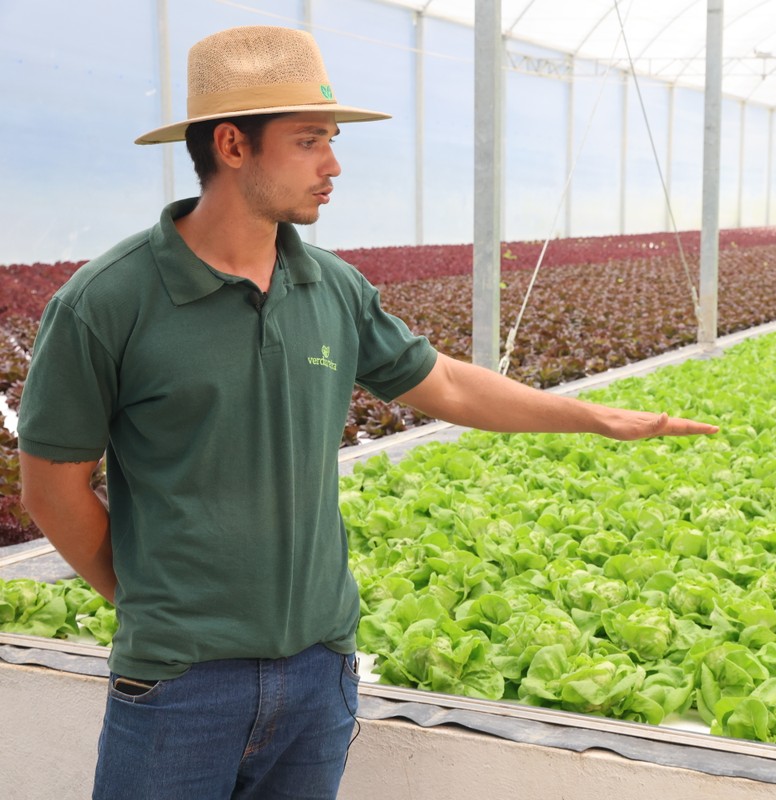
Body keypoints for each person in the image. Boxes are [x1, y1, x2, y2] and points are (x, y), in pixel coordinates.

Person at [17, 25, 718, 800]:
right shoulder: (106, 301)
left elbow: (443, 384)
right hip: (181, 685)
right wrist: (155, 603)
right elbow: (52, 488)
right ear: (232, 145)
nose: (334, 165)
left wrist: (590, 416)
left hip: (320, 672)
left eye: (332, 140)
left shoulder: (333, 289)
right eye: (310, 141)